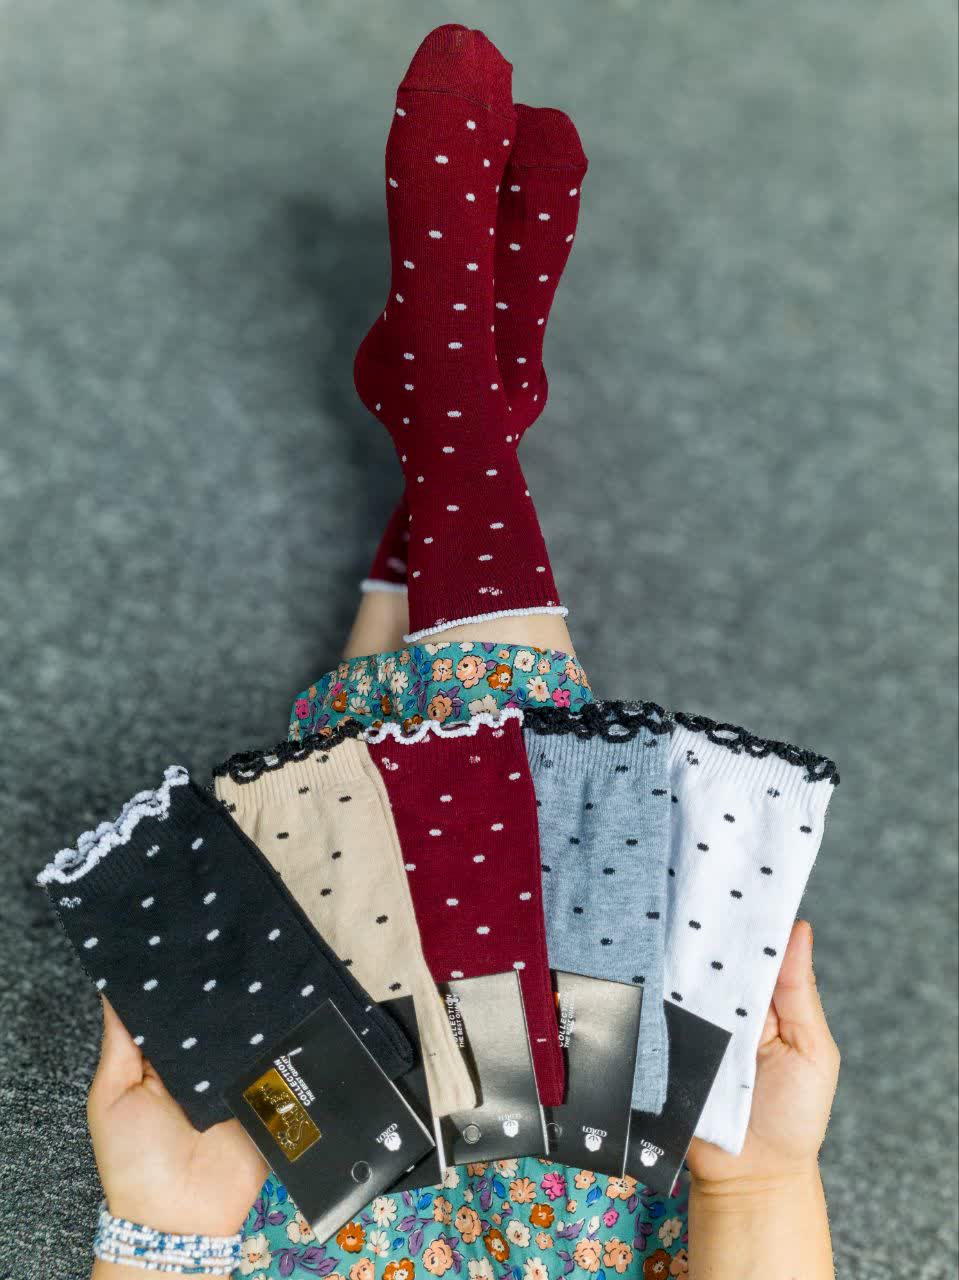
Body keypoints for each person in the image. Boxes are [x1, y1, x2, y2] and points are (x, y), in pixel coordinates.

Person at [84, 23, 840, 1278]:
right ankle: (455, 404)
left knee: (367, 863)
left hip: (336, 1174)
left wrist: (160, 1232)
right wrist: (764, 1176)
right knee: (540, 999)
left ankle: (456, 402)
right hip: (596, 1173)